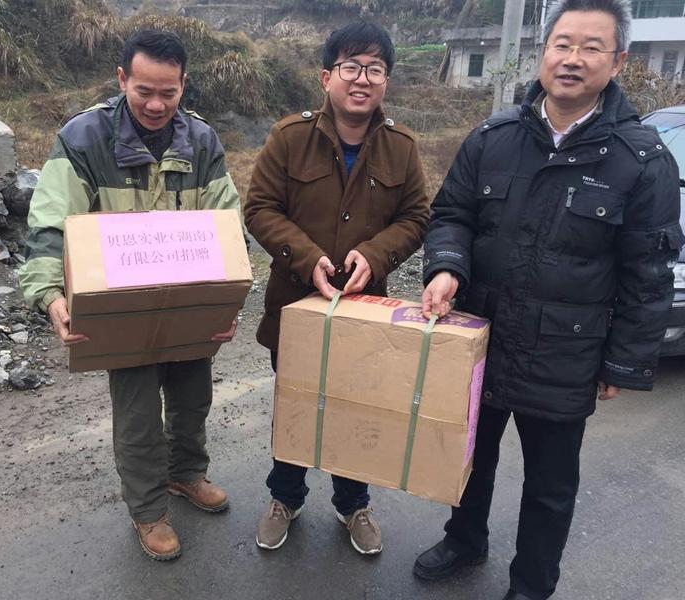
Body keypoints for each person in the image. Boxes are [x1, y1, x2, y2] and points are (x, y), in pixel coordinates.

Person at [414, 1, 684, 598]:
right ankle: (464, 539)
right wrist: (448, 267)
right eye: (562, 44)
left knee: (550, 485)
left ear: (617, 62)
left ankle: (532, 584)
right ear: (544, 53)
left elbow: (648, 272)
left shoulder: (641, 160)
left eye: (591, 47)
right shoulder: (494, 138)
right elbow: (452, 214)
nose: (573, 58)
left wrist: (622, 361)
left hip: (566, 351)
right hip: (479, 335)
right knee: (468, 455)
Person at [18, 30, 242, 561]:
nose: (156, 105)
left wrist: (228, 302)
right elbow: (51, 221)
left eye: (169, 93)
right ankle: (148, 509)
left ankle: (186, 473)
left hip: (188, 297)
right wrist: (49, 293)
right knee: (138, 411)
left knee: (193, 396)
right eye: (144, 91)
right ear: (122, 79)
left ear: (184, 84)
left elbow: (227, 223)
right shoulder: (84, 137)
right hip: (122, 303)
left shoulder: (202, 141)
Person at [244, 22, 430, 555]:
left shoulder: (401, 147)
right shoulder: (289, 138)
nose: (362, 79)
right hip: (296, 306)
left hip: (366, 310)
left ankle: (353, 503)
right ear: (327, 77)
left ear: (386, 81)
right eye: (351, 67)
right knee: (297, 404)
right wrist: (308, 260)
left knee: (358, 406)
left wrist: (375, 254)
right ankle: (285, 497)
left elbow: (417, 216)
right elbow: (259, 209)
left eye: (375, 69)